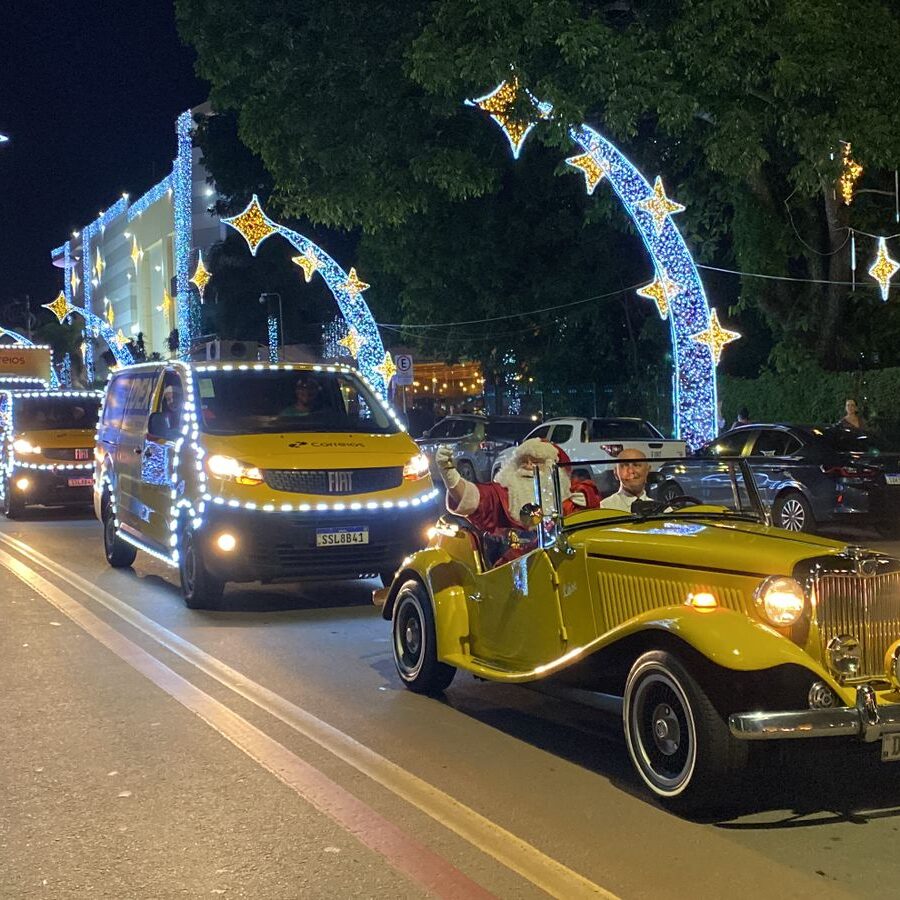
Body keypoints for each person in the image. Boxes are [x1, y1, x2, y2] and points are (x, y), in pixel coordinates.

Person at [435, 437, 601, 545]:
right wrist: (449, 474)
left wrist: (586, 495)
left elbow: (591, 506)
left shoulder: (566, 492)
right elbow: (473, 497)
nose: (528, 467)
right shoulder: (503, 493)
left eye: (536, 462)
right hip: (514, 566)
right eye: (523, 461)